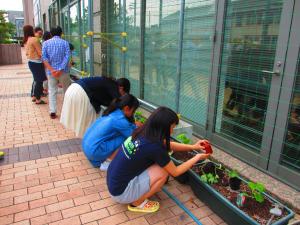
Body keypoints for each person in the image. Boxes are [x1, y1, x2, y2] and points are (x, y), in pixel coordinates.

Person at [107, 107, 211, 213]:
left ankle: (139, 191)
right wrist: (197, 157)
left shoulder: (143, 132)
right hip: (121, 193)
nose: (172, 130)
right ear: (164, 127)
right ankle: (137, 202)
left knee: (160, 165)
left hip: (113, 183)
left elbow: (168, 144)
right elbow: (175, 172)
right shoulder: (154, 146)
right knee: (164, 171)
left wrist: (193, 147)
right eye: (172, 127)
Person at [82, 94, 140, 170]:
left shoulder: (112, 112)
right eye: (133, 111)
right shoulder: (120, 120)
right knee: (127, 138)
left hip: (87, 147)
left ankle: (99, 159)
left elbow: (127, 126)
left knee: (121, 133)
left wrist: (134, 125)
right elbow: (133, 135)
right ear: (126, 108)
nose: (133, 113)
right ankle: (107, 163)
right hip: (94, 151)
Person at [60, 77, 131, 137]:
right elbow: (121, 106)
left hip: (72, 89)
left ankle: (89, 144)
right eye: (124, 95)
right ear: (121, 88)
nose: (122, 97)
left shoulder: (108, 83)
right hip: (81, 93)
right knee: (90, 124)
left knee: (89, 122)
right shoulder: (114, 87)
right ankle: (91, 146)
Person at [42, 26, 71, 119]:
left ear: (50, 34)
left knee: (52, 91)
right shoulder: (65, 43)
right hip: (64, 72)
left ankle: (53, 111)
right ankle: (68, 111)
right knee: (67, 91)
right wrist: (60, 69)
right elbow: (67, 57)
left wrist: (52, 70)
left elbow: (44, 58)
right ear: (61, 33)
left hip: (51, 73)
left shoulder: (45, 43)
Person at [23, 25, 47, 104]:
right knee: (39, 81)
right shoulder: (34, 40)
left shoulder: (26, 40)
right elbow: (41, 53)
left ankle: (34, 96)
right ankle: (38, 99)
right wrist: (46, 62)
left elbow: (27, 53)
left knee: (36, 80)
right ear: (31, 30)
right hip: (37, 63)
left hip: (31, 62)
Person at [41, 31, 52, 96]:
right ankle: (45, 90)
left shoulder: (43, 43)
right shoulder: (46, 43)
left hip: (44, 62)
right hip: (46, 63)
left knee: (46, 76)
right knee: (46, 77)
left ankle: (45, 90)